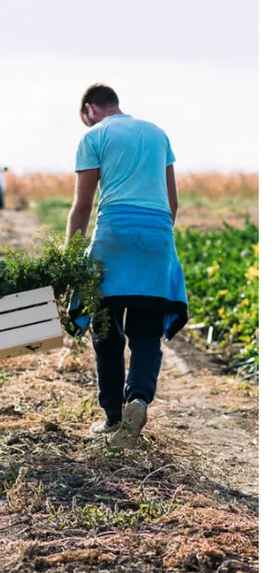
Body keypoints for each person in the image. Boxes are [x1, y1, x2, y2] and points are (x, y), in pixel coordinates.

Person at [67, 84, 188, 448]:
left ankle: (112, 416)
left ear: (90, 109)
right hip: (156, 237)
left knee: (106, 330)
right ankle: (138, 398)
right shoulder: (157, 133)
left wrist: (71, 258)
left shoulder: (95, 136)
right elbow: (172, 202)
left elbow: (84, 207)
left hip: (113, 239)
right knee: (146, 333)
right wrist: (157, 239)